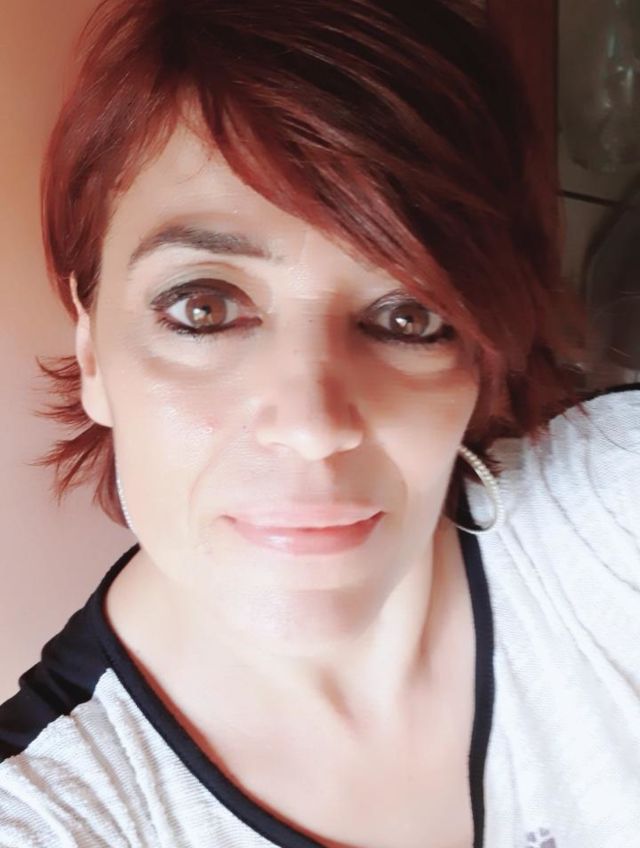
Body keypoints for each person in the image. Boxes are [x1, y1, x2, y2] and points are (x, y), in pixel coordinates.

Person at [0, 0, 638, 846]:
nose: (312, 426)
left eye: (409, 316)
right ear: (93, 356)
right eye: (203, 307)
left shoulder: (609, 525)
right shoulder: (50, 806)